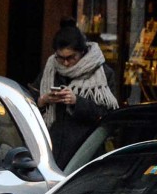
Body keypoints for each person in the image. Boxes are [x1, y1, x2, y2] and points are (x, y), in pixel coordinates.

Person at [35, 18, 118, 169]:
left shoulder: (103, 74)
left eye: (71, 58)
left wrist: (77, 101)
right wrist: (43, 100)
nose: (65, 63)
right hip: (51, 151)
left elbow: (109, 114)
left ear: (82, 52)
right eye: (60, 58)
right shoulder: (50, 69)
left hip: (85, 153)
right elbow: (31, 100)